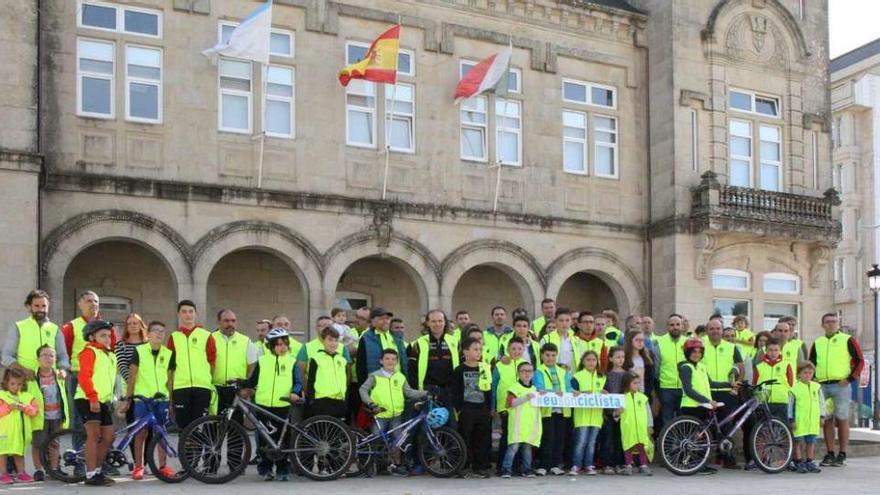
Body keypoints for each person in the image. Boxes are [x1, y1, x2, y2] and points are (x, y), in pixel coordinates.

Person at [244, 328, 301, 481]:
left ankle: (283, 469)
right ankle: (266, 469)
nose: (282, 347)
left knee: (283, 439)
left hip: (283, 406)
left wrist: (295, 392)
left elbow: (297, 382)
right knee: (264, 439)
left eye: (284, 344)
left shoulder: (292, 361)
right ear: (271, 346)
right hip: (263, 404)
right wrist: (241, 383)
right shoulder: (263, 361)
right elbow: (252, 380)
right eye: (278, 344)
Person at [359, 348, 427, 476]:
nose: (390, 361)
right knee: (375, 439)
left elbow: (409, 392)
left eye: (393, 359)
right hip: (380, 414)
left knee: (398, 440)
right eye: (387, 359)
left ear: (397, 362)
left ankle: (393, 465)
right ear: (381, 361)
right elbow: (363, 390)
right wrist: (371, 404)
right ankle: (369, 465)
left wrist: (425, 393)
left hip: (396, 415)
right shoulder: (374, 376)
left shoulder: (400, 377)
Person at [809, 313, 864, 467]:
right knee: (826, 420)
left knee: (842, 419)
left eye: (834, 321)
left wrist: (850, 379)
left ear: (838, 324)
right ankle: (830, 453)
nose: (831, 324)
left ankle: (843, 454)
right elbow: (811, 363)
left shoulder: (847, 339)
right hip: (822, 385)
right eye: (828, 322)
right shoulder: (817, 342)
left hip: (841, 385)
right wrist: (813, 380)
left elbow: (860, 360)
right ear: (822, 325)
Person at [122, 321, 175, 481]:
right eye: (156, 331)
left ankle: (163, 466)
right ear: (149, 334)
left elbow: (171, 380)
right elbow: (132, 376)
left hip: (162, 399)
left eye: (162, 331)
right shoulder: (139, 351)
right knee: (140, 434)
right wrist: (128, 398)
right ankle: (139, 467)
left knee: (161, 434)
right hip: (143, 400)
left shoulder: (169, 353)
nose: (159, 334)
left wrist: (171, 401)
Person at [677, 338, 730, 475]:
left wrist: (730, 385)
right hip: (691, 406)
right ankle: (692, 463)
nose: (697, 354)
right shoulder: (685, 368)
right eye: (693, 352)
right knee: (694, 437)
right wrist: (707, 400)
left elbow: (712, 384)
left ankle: (697, 463)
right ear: (687, 352)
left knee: (701, 437)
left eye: (699, 352)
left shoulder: (701, 366)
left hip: (703, 406)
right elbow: (688, 390)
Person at [75, 319, 118, 486]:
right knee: (94, 436)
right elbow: (84, 377)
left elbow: (112, 380)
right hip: (87, 399)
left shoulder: (110, 355)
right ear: (92, 337)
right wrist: (92, 397)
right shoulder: (89, 352)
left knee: (109, 436)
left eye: (109, 335)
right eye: (103, 335)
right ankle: (91, 474)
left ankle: (98, 471)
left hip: (102, 400)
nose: (107, 338)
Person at [701, 318, 743, 468]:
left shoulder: (731, 347)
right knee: (706, 426)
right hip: (707, 392)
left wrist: (736, 387)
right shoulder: (701, 345)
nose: (715, 331)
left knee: (728, 426)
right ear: (707, 331)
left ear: (722, 330)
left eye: (718, 329)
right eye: (711, 329)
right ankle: (703, 459)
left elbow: (740, 367)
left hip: (726, 392)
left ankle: (728, 458)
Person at [166, 300, 215, 430]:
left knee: (199, 428)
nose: (188, 315)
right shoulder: (174, 337)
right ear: (179, 314)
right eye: (184, 311)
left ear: (196, 314)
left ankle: (199, 451)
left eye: (190, 311)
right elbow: (170, 368)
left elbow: (212, 362)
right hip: (181, 388)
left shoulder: (206, 335)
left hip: (202, 387)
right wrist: (170, 395)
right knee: (184, 428)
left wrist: (208, 380)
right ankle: (185, 452)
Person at [2, 290, 70, 378]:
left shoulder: (55, 329)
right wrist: (24, 371)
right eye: (37, 306)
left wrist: (63, 370)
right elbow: (6, 357)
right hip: (26, 382)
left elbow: (62, 356)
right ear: (28, 307)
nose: (41, 309)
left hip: (50, 383)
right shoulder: (18, 327)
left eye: (44, 306)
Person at [451, 337, 492, 478]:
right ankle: (463, 466)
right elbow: (455, 391)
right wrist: (459, 408)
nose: (478, 352)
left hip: (482, 408)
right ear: (465, 352)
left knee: (481, 438)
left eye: (480, 349)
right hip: (466, 409)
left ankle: (479, 466)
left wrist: (489, 408)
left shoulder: (485, 368)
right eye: (475, 349)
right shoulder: (459, 370)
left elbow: (489, 390)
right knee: (464, 437)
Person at [30, 345, 70, 482]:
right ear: (38, 359)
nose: (48, 358)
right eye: (45, 355)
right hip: (39, 416)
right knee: (38, 443)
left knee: (54, 443)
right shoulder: (33, 377)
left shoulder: (59, 375)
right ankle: (39, 469)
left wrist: (63, 372)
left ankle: (54, 469)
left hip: (57, 415)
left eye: (51, 355)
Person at [211, 309, 258, 424]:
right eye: (226, 321)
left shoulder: (245, 341)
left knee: (235, 429)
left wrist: (249, 387)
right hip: (214, 390)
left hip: (236, 390)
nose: (230, 324)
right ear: (218, 322)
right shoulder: (210, 338)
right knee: (211, 427)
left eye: (233, 321)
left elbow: (253, 365)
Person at [533, 342, 571, 476]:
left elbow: (568, 388)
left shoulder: (563, 371)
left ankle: (555, 464)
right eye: (547, 355)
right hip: (546, 410)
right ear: (542, 356)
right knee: (547, 437)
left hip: (561, 410)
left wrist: (577, 392)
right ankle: (544, 465)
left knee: (559, 438)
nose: (550, 358)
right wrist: (553, 392)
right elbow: (538, 387)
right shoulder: (538, 371)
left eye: (553, 355)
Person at [492, 336, 527, 473]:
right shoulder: (500, 365)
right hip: (505, 407)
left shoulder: (526, 365)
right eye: (513, 348)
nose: (516, 351)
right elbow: (494, 386)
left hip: (522, 406)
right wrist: (493, 406)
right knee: (507, 435)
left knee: (520, 436)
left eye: (519, 348)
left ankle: (517, 466)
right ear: (508, 350)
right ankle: (502, 467)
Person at [500, 361, 540, 478]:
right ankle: (506, 469)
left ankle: (527, 469)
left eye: (529, 371)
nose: (527, 374)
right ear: (518, 373)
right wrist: (525, 398)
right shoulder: (514, 388)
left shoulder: (534, 388)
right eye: (524, 371)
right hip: (517, 424)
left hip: (529, 424)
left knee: (527, 448)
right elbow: (509, 403)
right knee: (513, 447)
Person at [0, 368, 39, 484]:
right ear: (6, 383)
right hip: (4, 431)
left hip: (21, 432)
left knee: (19, 452)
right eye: (12, 383)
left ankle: (21, 472)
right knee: (2, 452)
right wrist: (8, 408)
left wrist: (25, 408)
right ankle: (3, 473)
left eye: (19, 384)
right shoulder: (2, 396)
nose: (16, 386)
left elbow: (35, 411)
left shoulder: (27, 397)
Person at [408, 310, 458, 399]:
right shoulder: (417, 344)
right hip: (427, 391)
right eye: (433, 321)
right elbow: (411, 371)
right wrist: (416, 393)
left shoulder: (456, 342)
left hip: (451, 390)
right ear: (427, 323)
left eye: (440, 321)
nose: (437, 324)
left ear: (445, 322)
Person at [570, 350, 605, 476]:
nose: (591, 362)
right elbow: (572, 393)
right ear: (583, 362)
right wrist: (583, 393)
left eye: (593, 360)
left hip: (596, 416)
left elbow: (604, 394)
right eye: (588, 360)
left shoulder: (602, 377)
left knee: (592, 443)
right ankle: (576, 465)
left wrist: (604, 393)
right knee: (581, 442)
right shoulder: (577, 376)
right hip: (582, 416)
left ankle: (589, 465)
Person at [614, 372, 653, 476]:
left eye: (638, 383)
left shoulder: (643, 397)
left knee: (642, 446)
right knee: (628, 447)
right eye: (634, 383)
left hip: (641, 428)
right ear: (627, 384)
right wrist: (617, 413)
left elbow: (648, 412)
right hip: (628, 428)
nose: (637, 385)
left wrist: (650, 425)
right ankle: (628, 466)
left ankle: (643, 465)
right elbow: (615, 416)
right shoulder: (622, 398)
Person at [789, 362, 825, 474]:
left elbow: (821, 403)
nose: (808, 375)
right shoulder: (794, 388)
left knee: (811, 442)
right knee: (798, 442)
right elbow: (790, 405)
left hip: (813, 420)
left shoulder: (817, 387)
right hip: (800, 421)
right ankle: (798, 461)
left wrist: (822, 416)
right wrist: (791, 419)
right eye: (805, 373)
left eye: (810, 373)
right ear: (799, 374)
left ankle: (810, 461)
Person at [306, 327, 348, 419]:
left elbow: (344, 380)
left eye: (336, 340)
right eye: (330, 340)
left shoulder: (342, 359)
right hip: (322, 400)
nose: (333, 343)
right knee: (323, 429)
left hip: (339, 400)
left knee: (337, 430)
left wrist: (346, 398)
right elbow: (311, 380)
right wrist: (310, 400)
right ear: (323, 340)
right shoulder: (316, 358)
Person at [753, 337, 794, 421]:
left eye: (776, 350)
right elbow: (755, 384)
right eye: (770, 350)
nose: (773, 353)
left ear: (780, 351)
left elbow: (791, 383)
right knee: (763, 429)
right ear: (766, 351)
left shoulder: (786, 365)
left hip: (781, 402)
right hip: (764, 403)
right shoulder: (759, 367)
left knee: (781, 428)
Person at [600, 347, 626, 475]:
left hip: (622, 411)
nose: (620, 359)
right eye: (617, 357)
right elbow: (603, 390)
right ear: (610, 358)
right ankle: (607, 464)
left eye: (622, 357)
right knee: (608, 438)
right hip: (609, 412)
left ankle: (619, 463)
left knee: (620, 438)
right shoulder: (606, 375)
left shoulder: (627, 374)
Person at [656, 314, 686, 425]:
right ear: (667, 327)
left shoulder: (687, 342)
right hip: (666, 388)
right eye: (672, 325)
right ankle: (667, 442)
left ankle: (681, 442)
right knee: (666, 419)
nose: (675, 327)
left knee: (683, 419)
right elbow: (656, 366)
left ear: (682, 326)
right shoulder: (660, 341)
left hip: (684, 388)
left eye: (678, 324)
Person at [622, 331, 655, 397]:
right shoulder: (624, 358)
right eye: (637, 340)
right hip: (628, 394)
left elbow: (650, 378)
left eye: (642, 340)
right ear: (630, 341)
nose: (640, 342)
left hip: (644, 394)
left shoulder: (648, 357)